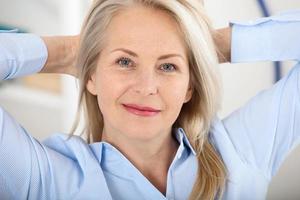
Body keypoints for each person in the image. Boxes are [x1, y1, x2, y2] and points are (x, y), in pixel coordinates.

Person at [0, 0, 299, 199]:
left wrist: (212, 47)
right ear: (90, 75)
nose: (146, 87)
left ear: (189, 87)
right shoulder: (46, 180)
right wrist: (65, 51)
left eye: (168, 66)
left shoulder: (239, 153)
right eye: (125, 62)